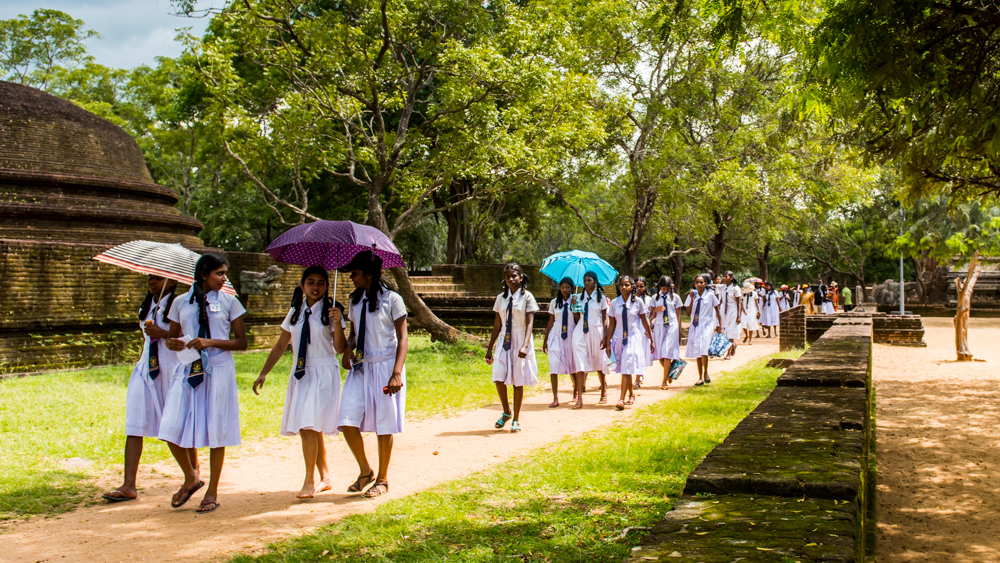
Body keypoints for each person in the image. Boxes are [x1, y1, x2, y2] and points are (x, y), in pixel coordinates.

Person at [160, 253, 247, 514]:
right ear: (203, 275)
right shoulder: (179, 302)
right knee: (171, 425)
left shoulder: (230, 302)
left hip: (219, 370)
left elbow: (242, 342)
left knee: (216, 428)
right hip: (188, 369)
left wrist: (210, 342)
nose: (224, 278)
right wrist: (171, 343)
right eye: (219, 273)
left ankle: (212, 491)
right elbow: (172, 338)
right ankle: (191, 477)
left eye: (225, 273)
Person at [253, 266, 347, 499]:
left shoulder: (331, 312)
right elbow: (280, 345)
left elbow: (340, 348)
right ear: (303, 285)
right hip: (301, 373)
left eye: (321, 283)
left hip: (324, 371)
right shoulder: (295, 311)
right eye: (311, 283)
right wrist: (263, 372)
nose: (316, 288)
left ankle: (308, 481)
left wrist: (337, 323)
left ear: (327, 286)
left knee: (308, 426)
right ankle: (325, 477)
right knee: (311, 426)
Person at [103, 275, 181, 502]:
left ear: (173, 282)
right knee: (135, 423)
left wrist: (164, 333)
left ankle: (192, 474)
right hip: (146, 367)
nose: (152, 281)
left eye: (158, 278)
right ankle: (129, 485)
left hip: (170, 368)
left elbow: (189, 338)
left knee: (174, 425)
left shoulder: (179, 305)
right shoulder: (148, 306)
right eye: (150, 277)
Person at [336, 250, 408, 498]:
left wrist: (396, 373)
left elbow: (403, 339)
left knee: (384, 423)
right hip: (361, 367)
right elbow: (355, 334)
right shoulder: (355, 302)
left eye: (355, 273)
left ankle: (383, 479)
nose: (352, 277)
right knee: (346, 420)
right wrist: (347, 348)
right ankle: (365, 469)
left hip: (386, 367)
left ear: (368, 274)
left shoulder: (392, 300)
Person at [486, 263, 539, 432]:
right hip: (504, 339)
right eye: (508, 276)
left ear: (521, 277)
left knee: (517, 380)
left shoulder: (527, 297)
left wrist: (525, 345)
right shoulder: (501, 298)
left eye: (514, 276)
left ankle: (516, 418)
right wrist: (490, 347)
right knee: (499, 377)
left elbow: (530, 323)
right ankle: (506, 411)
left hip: (520, 338)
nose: (510, 279)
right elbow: (497, 324)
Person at [605, 275, 655, 410]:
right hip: (618, 338)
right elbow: (611, 324)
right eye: (621, 285)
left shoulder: (638, 302)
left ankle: (621, 399)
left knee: (627, 368)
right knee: (623, 368)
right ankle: (631, 394)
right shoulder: (615, 303)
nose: (624, 287)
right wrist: (607, 342)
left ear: (632, 287)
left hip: (633, 338)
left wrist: (651, 339)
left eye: (627, 285)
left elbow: (645, 321)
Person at [572, 271, 610, 406]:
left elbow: (605, 318)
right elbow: (577, 318)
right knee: (580, 362)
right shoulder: (578, 297)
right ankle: (580, 399)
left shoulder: (602, 299)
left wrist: (605, 336)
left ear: (595, 282)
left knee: (599, 361)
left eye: (589, 280)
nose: (586, 283)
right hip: (581, 331)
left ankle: (603, 390)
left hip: (596, 330)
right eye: (585, 280)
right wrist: (574, 307)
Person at [542, 277, 577, 408]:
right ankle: (555, 397)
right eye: (562, 287)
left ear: (572, 289)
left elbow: (578, 320)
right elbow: (551, 321)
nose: (565, 290)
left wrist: (574, 306)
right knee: (554, 366)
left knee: (572, 366)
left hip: (571, 335)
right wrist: (545, 340)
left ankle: (576, 391)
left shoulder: (575, 302)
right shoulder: (554, 303)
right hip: (556, 335)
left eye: (567, 287)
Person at [684, 273, 722, 386]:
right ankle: (700, 376)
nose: (699, 284)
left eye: (701, 282)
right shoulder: (692, 295)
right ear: (694, 284)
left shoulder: (710, 295)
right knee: (698, 350)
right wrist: (691, 300)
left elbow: (717, 311)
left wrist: (720, 325)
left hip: (707, 325)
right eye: (697, 282)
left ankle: (706, 372)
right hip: (695, 325)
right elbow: (687, 313)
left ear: (705, 284)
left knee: (704, 348)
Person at [650, 276, 684, 389]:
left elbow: (678, 315)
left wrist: (679, 329)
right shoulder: (655, 298)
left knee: (667, 353)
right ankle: (669, 372)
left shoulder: (676, 298)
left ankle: (664, 381)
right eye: (663, 289)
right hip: (659, 326)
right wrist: (656, 309)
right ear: (659, 287)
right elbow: (651, 315)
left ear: (670, 288)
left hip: (671, 325)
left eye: (667, 289)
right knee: (660, 354)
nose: (665, 291)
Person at [633, 276, 654, 387]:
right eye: (637, 286)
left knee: (641, 353)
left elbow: (653, 315)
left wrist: (650, 327)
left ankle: (638, 377)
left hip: (644, 329)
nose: (639, 289)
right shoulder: (630, 299)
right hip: (633, 328)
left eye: (641, 286)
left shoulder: (649, 300)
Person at [719, 271, 743, 360]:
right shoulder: (723, 288)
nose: (724, 278)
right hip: (724, 312)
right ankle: (733, 345)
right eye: (724, 276)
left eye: (726, 276)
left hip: (733, 312)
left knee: (730, 332)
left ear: (731, 278)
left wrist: (739, 315)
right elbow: (721, 300)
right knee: (725, 332)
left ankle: (728, 354)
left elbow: (739, 303)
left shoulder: (735, 289)